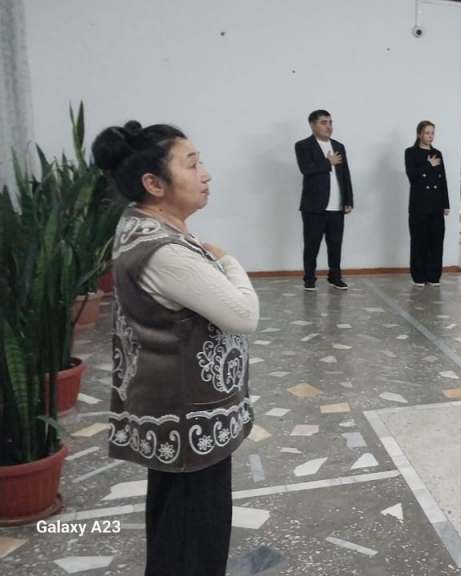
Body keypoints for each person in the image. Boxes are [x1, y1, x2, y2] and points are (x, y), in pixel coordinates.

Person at [92, 120, 260, 575]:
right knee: (194, 539)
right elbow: (244, 315)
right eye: (192, 164)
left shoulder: (141, 225)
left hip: (177, 410)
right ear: (154, 184)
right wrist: (227, 260)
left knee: (177, 531)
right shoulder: (164, 251)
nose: (206, 174)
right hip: (188, 417)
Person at [294, 109, 354, 291]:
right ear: (312, 125)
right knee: (312, 244)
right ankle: (309, 278)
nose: (328, 126)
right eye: (323, 123)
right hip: (314, 206)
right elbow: (306, 169)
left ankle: (335, 276)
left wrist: (348, 199)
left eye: (330, 122)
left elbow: (345, 175)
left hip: (337, 205)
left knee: (335, 244)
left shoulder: (338, 146)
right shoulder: (303, 145)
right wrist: (328, 162)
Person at [405, 120, 450, 286]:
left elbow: (442, 180)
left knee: (436, 241)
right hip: (419, 204)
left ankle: (433, 275)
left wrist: (446, 203)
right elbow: (412, 175)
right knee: (419, 241)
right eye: (427, 133)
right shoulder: (411, 152)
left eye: (432, 133)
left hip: (436, 203)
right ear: (419, 134)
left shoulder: (437, 153)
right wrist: (427, 164)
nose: (430, 136)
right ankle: (418, 276)